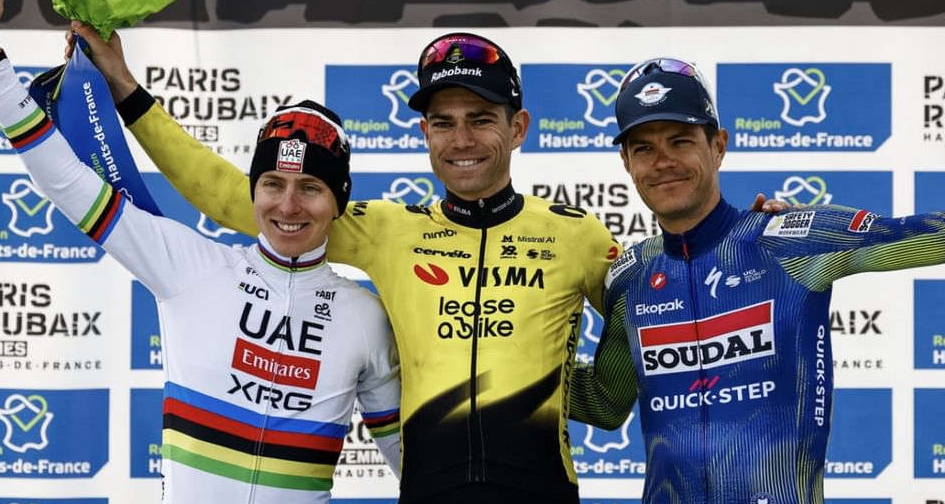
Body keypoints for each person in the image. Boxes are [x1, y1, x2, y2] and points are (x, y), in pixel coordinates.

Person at [71, 25, 620, 504]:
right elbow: (228, 197)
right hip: (429, 493)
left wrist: (555, 379)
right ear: (424, 133)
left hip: (543, 491)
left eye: (480, 120)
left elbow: (629, 357)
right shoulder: (392, 231)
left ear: (518, 127)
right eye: (443, 122)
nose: (461, 140)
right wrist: (124, 87)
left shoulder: (577, 235)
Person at [0, 32, 402, 504]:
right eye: (272, 184)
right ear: (253, 191)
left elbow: (416, 468)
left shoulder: (367, 318)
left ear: (339, 201)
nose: (288, 206)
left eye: (310, 187)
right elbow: (66, 181)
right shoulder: (189, 267)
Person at [568, 57, 945, 504]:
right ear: (626, 161)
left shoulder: (789, 242)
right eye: (644, 148)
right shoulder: (630, 278)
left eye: (680, 141)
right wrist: (510, 359)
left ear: (718, 146)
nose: (662, 162)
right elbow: (604, 403)